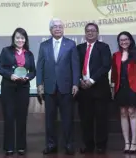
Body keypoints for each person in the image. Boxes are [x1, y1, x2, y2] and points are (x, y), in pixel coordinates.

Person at [36, 18, 80, 155]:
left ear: (63, 28)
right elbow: (40, 67)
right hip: (49, 88)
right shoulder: (44, 45)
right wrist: (39, 84)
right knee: (50, 119)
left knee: (67, 119)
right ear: (50, 30)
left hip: (66, 87)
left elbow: (75, 66)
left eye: (60, 26)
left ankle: (68, 145)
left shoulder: (71, 44)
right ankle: (51, 145)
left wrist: (75, 83)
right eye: (55, 27)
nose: (58, 28)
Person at [0, 28, 36, 156]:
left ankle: (21, 146)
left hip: (23, 89)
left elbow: (33, 71)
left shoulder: (29, 54)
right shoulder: (6, 51)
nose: (20, 40)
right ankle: (9, 147)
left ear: (26, 39)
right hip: (8, 88)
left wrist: (28, 77)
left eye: (22, 38)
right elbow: (0, 67)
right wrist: (10, 75)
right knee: (8, 117)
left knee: (21, 118)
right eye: (18, 37)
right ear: (13, 39)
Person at [76, 23, 112, 154]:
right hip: (83, 90)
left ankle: (101, 145)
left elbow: (106, 66)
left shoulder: (104, 47)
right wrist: (80, 80)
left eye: (93, 31)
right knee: (86, 119)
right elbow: (75, 66)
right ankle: (88, 145)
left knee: (101, 119)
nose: (90, 33)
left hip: (99, 89)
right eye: (87, 31)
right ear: (85, 33)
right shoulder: (79, 48)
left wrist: (91, 80)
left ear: (97, 33)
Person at [111, 31, 136, 154]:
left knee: (132, 112)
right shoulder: (116, 55)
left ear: (130, 40)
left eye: (126, 39)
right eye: (121, 40)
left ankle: (134, 142)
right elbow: (114, 74)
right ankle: (126, 143)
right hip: (120, 87)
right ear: (119, 42)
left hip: (133, 87)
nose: (124, 42)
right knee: (123, 113)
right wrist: (113, 88)